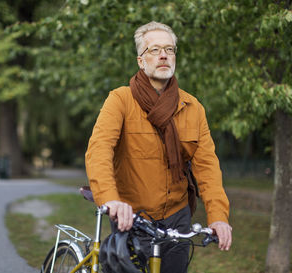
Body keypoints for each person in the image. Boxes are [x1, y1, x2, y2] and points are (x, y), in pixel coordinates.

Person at [85, 21, 232, 272]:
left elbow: (207, 166)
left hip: (177, 215)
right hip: (131, 216)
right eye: (154, 50)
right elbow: (99, 151)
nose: (163, 55)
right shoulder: (120, 100)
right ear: (141, 61)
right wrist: (111, 200)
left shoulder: (192, 107)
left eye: (169, 49)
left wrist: (218, 216)